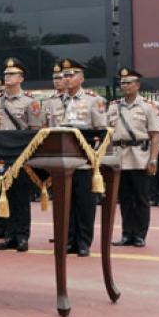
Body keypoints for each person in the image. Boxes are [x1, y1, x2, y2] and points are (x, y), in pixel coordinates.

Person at [40, 59, 106, 257]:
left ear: (81, 78)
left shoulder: (94, 100)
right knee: (64, 203)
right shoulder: (55, 102)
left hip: (84, 161)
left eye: (71, 75)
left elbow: (101, 131)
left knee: (84, 203)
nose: (66, 79)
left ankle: (84, 242)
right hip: (61, 162)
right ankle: (68, 240)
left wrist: (94, 158)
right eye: (64, 76)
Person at [0, 57, 41, 252]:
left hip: (20, 155)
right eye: (5, 74)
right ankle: (9, 235)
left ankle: (22, 236)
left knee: (20, 196)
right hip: (0, 155)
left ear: (21, 78)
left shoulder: (30, 102)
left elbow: (35, 131)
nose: (7, 77)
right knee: (4, 195)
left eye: (11, 74)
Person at [107, 68, 159, 248]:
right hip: (120, 157)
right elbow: (106, 133)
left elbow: (155, 135)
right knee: (125, 199)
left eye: (128, 82)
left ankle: (140, 235)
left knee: (141, 199)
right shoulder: (114, 106)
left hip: (140, 157)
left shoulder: (147, 107)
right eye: (122, 83)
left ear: (137, 85)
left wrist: (153, 159)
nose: (124, 85)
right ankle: (126, 233)